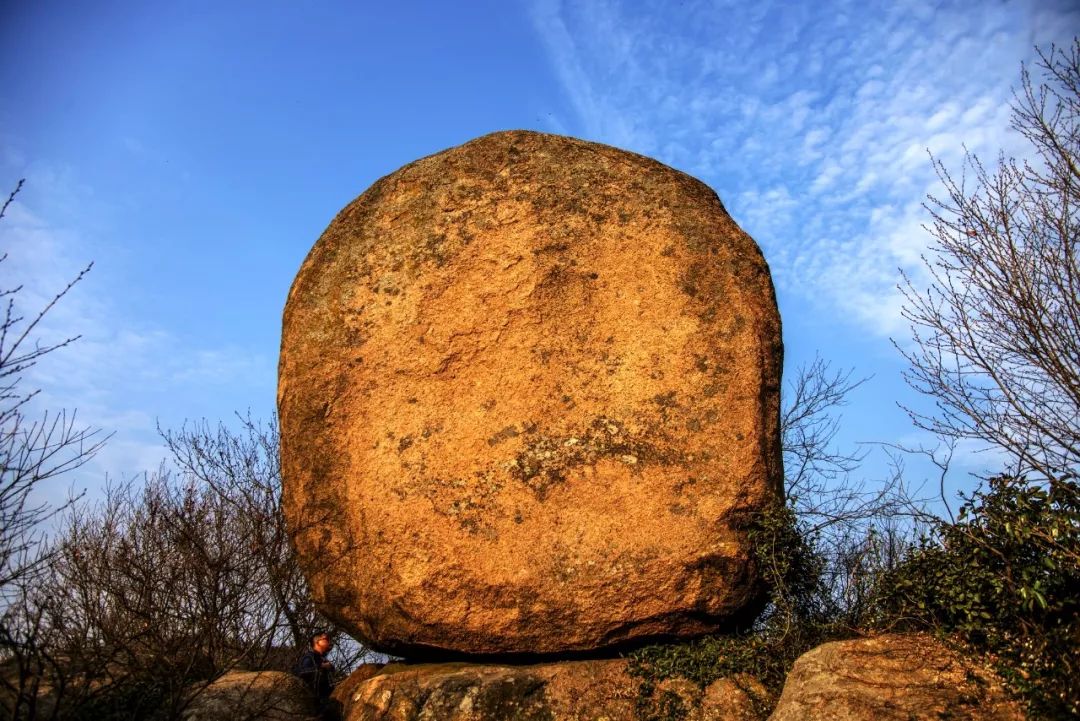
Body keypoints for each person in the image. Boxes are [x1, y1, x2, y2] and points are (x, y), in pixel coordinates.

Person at [293, 631, 336, 715]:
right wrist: (320, 667)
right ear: (317, 642)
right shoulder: (310, 656)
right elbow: (300, 672)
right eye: (326, 639)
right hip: (314, 701)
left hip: (326, 699)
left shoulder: (323, 659)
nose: (328, 641)